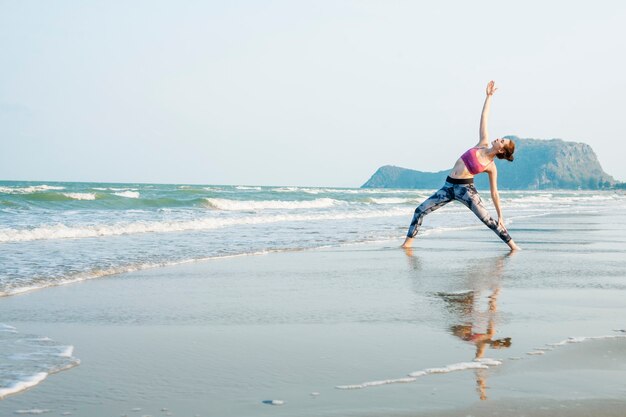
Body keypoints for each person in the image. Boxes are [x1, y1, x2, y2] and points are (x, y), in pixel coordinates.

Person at [401, 81, 520, 251]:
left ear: (501, 149)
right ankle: (407, 245)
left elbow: (494, 193)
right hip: (448, 186)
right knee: (419, 210)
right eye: (502, 138)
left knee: (488, 220)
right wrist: (488, 97)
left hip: (466, 191)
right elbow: (484, 118)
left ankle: (513, 247)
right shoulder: (483, 142)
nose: (499, 139)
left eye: (502, 141)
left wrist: (501, 216)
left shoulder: (491, 166)